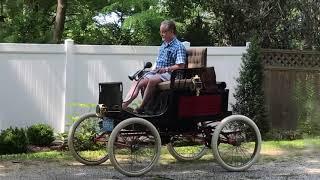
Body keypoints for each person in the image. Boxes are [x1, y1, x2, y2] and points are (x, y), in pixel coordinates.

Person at [122, 20, 187, 113]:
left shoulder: (178, 46)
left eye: (164, 32)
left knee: (152, 80)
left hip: (171, 74)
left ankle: (142, 107)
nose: (162, 34)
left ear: (172, 31)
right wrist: (154, 69)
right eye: (161, 32)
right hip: (158, 73)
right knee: (137, 81)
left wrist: (166, 69)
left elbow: (180, 66)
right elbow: (158, 62)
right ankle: (123, 106)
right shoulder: (163, 45)